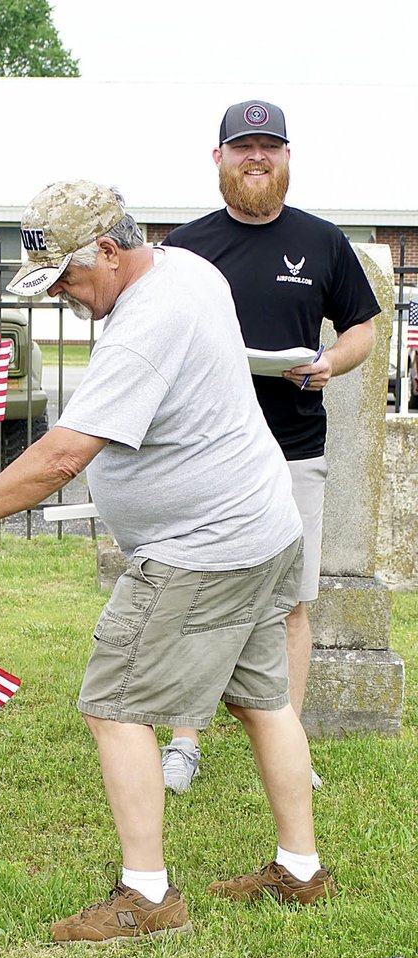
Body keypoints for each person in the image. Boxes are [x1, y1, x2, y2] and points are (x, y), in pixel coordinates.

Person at [0, 179, 336, 944]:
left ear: (109, 249)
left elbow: (62, 456)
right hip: (261, 526)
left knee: (113, 702)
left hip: (204, 548)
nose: (68, 296)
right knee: (262, 698)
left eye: (69, 278)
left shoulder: (149, 319)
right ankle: (300, 871)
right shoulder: (190, 268)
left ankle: (147, 897)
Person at [161, 99, 380, 793]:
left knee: (289, 603)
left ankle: (289, 747)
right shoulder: (186, 247)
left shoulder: (323, 242)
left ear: (287, 158)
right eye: (243, 146)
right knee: (196, 594)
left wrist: (329, 364)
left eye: (270, 147)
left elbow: (362, 331)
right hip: (205, 452)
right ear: (219, 157)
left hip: (293, 450)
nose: (257, 157)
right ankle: (184, 741)